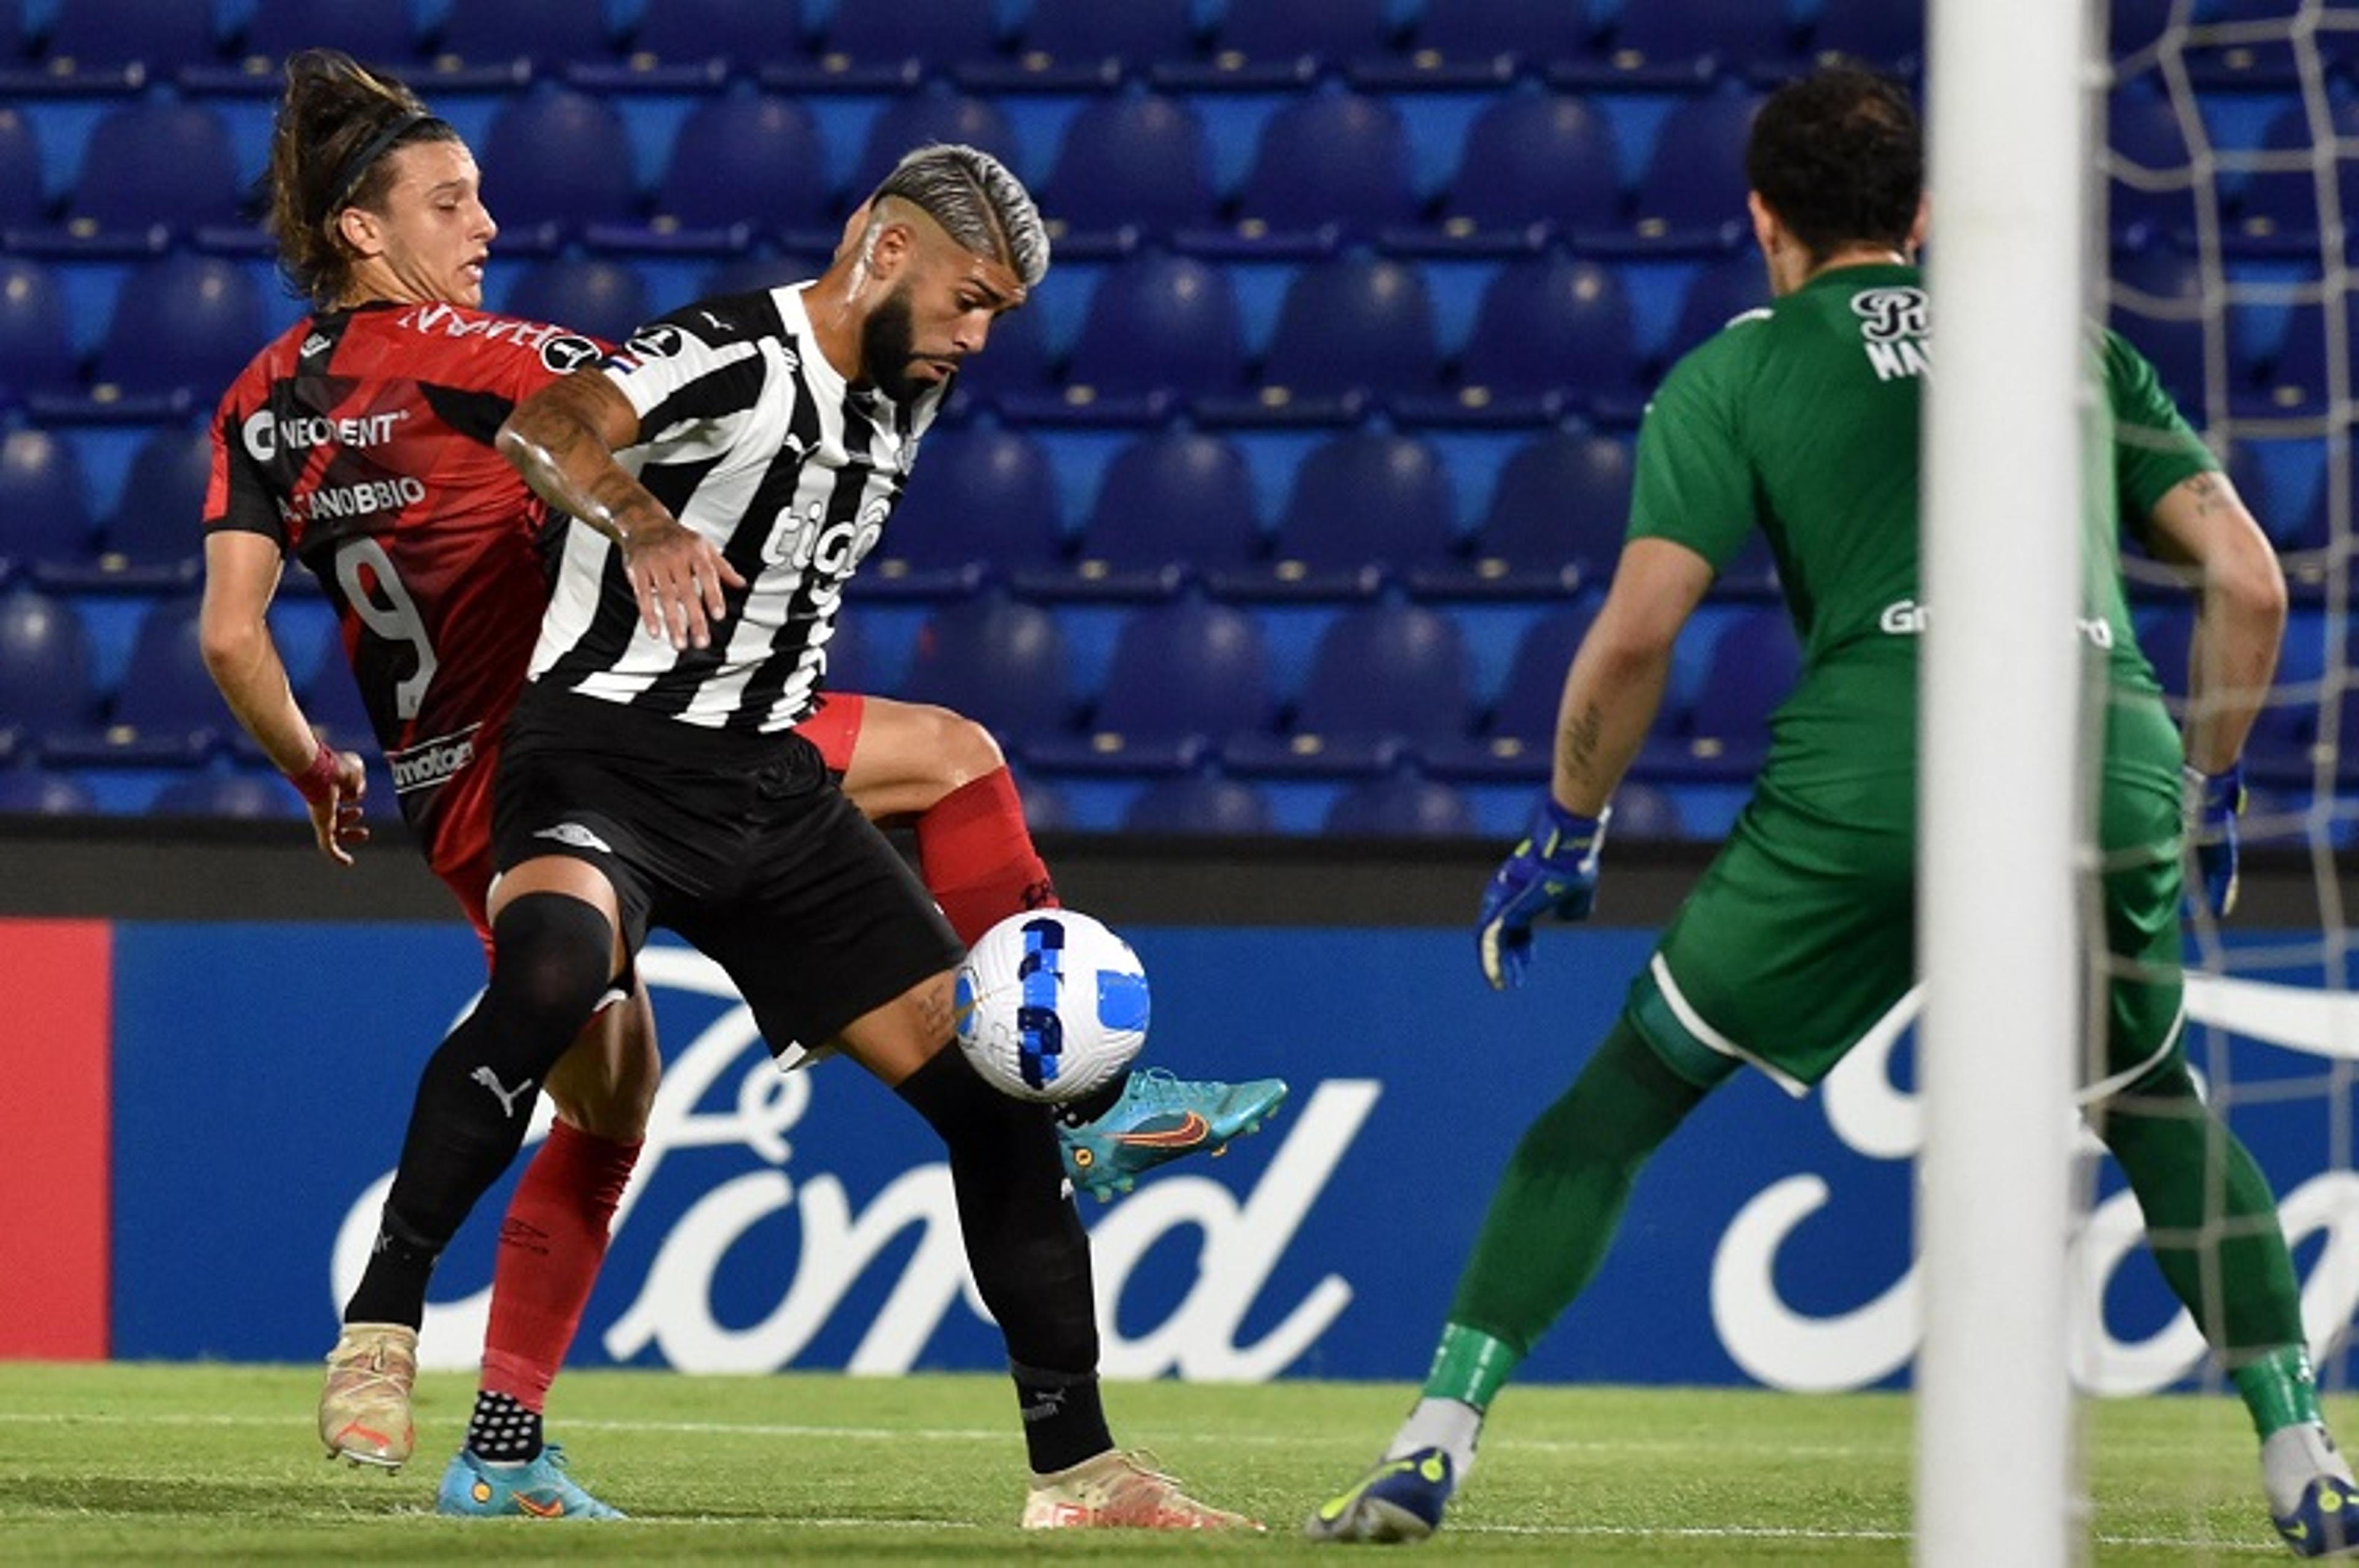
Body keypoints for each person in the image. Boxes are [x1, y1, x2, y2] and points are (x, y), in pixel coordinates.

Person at [199, 52, 1280, 1522]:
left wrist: (311, 759)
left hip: (736, 779)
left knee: (954, 1096)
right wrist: (640, 516)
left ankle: (1079, 1464)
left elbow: (226, 627)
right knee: (580, 966)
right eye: (453, 200)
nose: (489, 224)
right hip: (586, 750)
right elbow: (568, 420)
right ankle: (383, 1332)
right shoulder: (617, 352)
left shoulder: (267, 400)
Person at [1306, 66, 2352, 1558]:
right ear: (1922, 215)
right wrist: (2202, 783)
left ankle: (1431, 1444)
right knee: (2151, 1100)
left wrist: (1570, 824)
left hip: (1880, 760)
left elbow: (1638, 627)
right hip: (2096, 747)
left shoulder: (1735, 372)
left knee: (1623, 1099)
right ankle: (2304, 1463)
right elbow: (2251, 582)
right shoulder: (2069, 348)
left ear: (1762, 220)